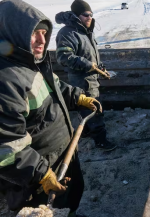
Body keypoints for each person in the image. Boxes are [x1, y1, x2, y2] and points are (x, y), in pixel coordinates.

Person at [0, 0, 99, 215]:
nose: (42, 41)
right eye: (34, 33)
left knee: (71, 199)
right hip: (34, 179)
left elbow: (55, 85)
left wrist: (78, 97)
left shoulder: (31, 62)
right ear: (14, 33)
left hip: (61, 157)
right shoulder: (6, 80)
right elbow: (5, 147)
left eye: (44, 33)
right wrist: (40, 173)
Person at [55, 0, 116, 151]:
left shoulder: (85, 31)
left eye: (91, 14)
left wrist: (100, 67)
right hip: (81, 80)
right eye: (85, 15)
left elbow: (90, 55)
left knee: (85, 108)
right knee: (94, 109)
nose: (89, 17)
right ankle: (101, 141)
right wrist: (88, 65)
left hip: (92, 78)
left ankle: (87, 131)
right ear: (76, 15)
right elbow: (63, 56)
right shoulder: (68, 33)